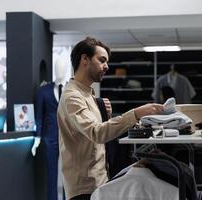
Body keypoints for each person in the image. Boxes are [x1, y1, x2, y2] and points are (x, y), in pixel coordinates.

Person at [57, 37, 164, 200]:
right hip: (84, 188)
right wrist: (136, 113)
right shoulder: (72, 97)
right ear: (85, 59)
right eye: (102, 60)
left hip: (99, 181)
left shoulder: (89, 95)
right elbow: (97, 133)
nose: (106, 66)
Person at [32, 58, 68, 200]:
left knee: (68, 174)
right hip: (50, 137)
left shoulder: (73, 89)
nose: (60, 71)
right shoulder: (43, 91)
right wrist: (37, 137)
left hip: (68, 137)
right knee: (51, 174)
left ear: (66, 69)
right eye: (57, 68)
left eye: (62, 68)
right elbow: (39, 116)